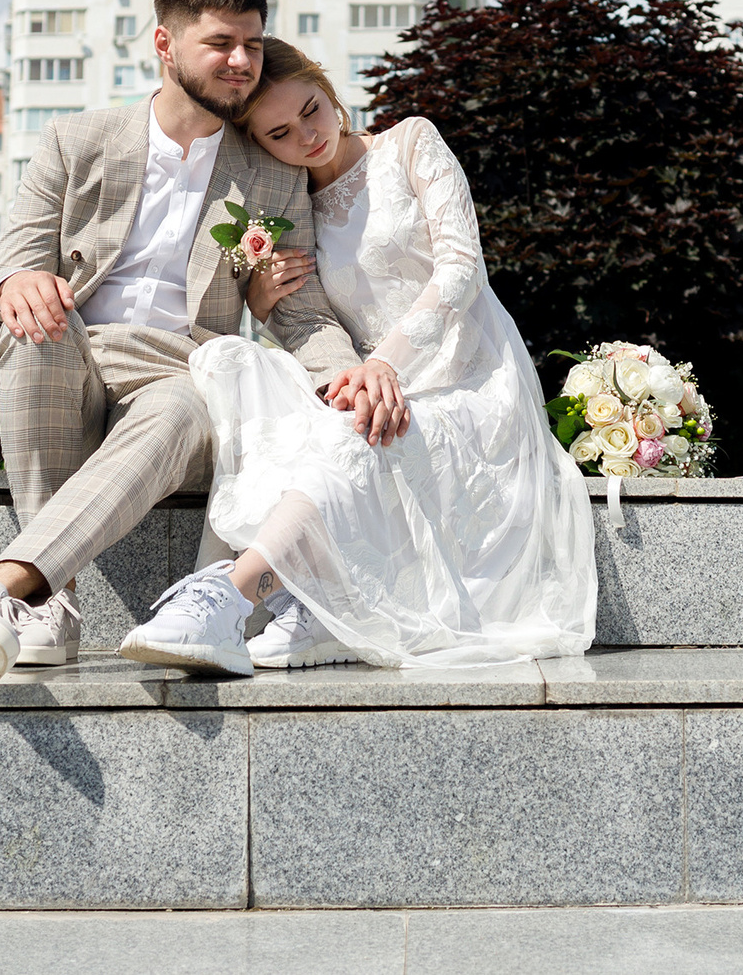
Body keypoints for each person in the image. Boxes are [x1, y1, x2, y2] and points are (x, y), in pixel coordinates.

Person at [0, 0, 398, 682]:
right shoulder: (77, 140)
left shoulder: (271, 170)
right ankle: (52, 601)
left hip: (181, 373)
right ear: (165, 45)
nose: (241, 62)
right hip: (71, 356)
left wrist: (347, 373)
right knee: (33, 327)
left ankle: (4, 594)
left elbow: (299, 306)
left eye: (253, 44)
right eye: (221, 42)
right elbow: (13, 258)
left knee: (182, 403)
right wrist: (18, 279)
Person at [112, 39, 596, 676]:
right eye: (279, 134)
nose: (306, 137)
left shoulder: (411, 143)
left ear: (326, 86)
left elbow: (461, 271)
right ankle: (316, 604)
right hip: (369, 376)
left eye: (311, 110)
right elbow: (314, 329)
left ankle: (229, 593)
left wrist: (386, 364)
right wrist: (262, 300)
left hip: (469, 375)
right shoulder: (289, 210)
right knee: (242, 367)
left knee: (355, 432)